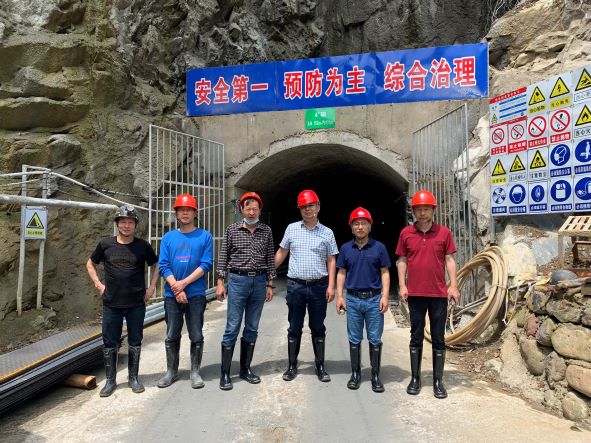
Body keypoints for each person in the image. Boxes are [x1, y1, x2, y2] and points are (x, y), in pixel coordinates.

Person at [86, 205, 159, 397]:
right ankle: (110, 381)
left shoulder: (143, 246)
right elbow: (90, 263)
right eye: (123, 222)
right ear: (117, 224)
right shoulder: (105, 244)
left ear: (135, 225)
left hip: (136, 303)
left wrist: (151, 288)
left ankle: (133, 378)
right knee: (110, 342)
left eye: (130, 222)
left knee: (135, 340)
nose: (127, 225)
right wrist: (98, 284)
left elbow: (157, 265)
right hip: (112, 303)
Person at [395, 190, 460, 399]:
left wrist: (453, 286)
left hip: (438, 294)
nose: (422, 212)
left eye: (426, 208)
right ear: (413, 211)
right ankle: (415, 378)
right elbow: (402, 261)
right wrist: (402, 286)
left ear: (433, 210)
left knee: (439, 338)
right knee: (416, 337)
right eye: (419, 209)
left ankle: (438, 382)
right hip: (415, 294)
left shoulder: (444, 233)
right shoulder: (406, 233)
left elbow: (449, 260)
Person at [274, 190, 338, 382]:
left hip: (319, 286)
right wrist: (267, 273)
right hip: (296, 286)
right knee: (294, 327)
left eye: (310, 205)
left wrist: (331, 286)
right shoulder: (292, 229)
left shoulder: (327, 232)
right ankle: (292, 366)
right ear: (299, 209)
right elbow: (282, 252)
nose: (307, 209)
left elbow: (331, 260)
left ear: (318, 207)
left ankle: (320, 366)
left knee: (318, 327)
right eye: (303, 207)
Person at [215, 192, 276, 390]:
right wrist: (220, 282)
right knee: (232, 326)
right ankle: (225, 373)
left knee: (252, 326)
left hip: (259, 281)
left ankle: (245, 369)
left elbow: (270, 258)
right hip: (238, 280)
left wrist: (269, 284)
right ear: (241, 209)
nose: (251, 212)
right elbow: (224, 256)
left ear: (260, 210)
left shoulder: (266, 231)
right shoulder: (232, 230)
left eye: (255, 209)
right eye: (248, 208)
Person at [157, 193, 213, 389]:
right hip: (172, 296)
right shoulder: (168, 238)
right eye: (181, 210)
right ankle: (171, 371)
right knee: (172, 334)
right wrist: (176, 287)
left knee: (196, 334)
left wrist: (184, 284)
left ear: (195, 213)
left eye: (189, 210)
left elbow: (206, 264)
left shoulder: (205, 236)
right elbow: (163, 265)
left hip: (195, 294)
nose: (185, 213)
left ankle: (195, 372)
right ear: (176, 214)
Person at [335, 207, 390, 393]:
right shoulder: (345, 249)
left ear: (370, 226)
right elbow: (341, 273)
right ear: (351, 227)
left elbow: (385, 272)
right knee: (354, 338)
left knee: (375, 338)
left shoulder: (379, 248)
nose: (360, 227)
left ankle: (375, 376)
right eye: (356, 224)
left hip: (374, 300)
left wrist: (385, 296)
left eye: (363, 223)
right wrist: (340, 296)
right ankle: (355, 374)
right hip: (353, 300)